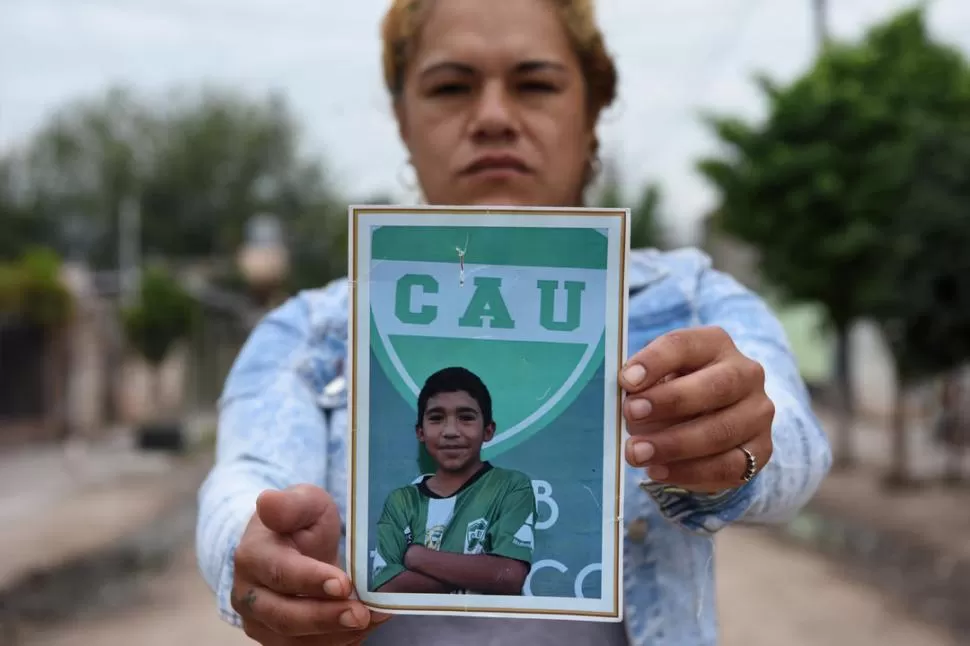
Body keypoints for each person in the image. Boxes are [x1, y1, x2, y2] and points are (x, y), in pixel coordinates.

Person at [195, 0, 833, 644]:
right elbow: (246, 479)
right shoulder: (312, 332)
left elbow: (795, 439)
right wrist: (253, 549)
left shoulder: (691, 300)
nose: (494, 117)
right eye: (451, 86)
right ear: (402, 120)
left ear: (592, 113)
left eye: (536, 84)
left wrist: (742, 441)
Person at [371, 367, 536, 595]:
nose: (450, 431)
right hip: (418, 631)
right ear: (420, 432)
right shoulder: (402, 501)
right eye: (436, 418)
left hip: (492, 631)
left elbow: (508, 576)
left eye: (466, 418)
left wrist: (416, 556)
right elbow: (386, 587)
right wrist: (479, 574)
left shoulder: (510, 486)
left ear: (488, 430)